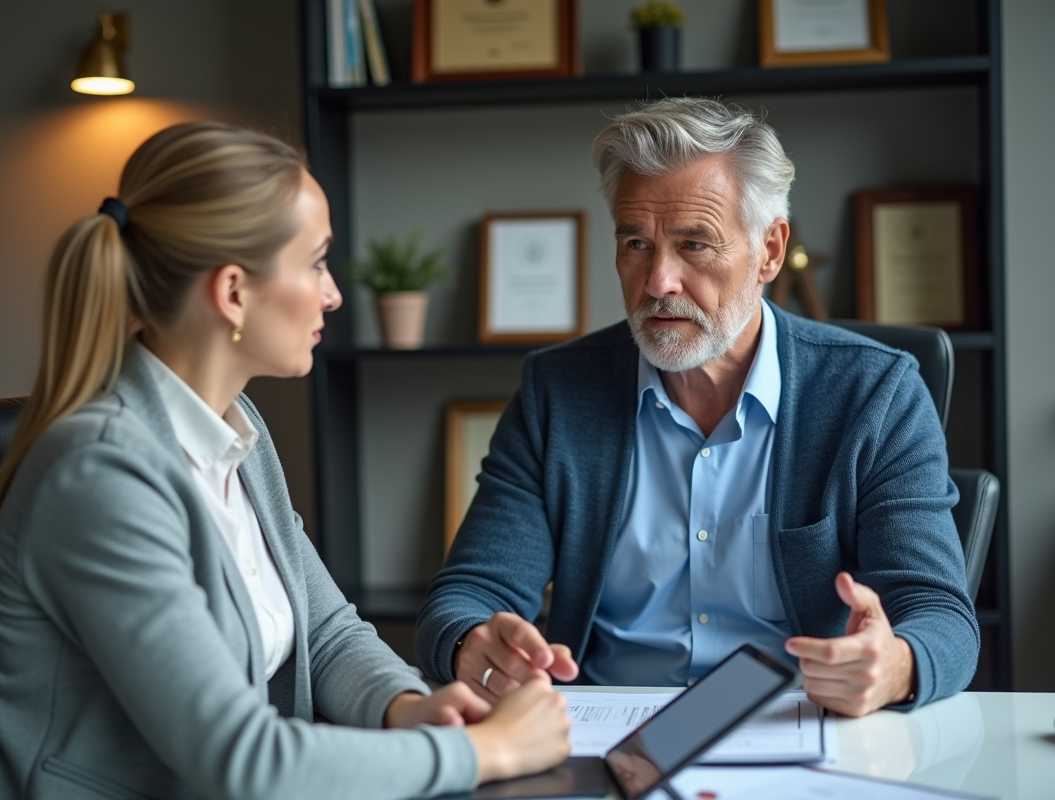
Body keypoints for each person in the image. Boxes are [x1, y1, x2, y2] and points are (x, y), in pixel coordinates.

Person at [0, 122, 570, 800]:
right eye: (315, 263)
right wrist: (483, 751)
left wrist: (409, 706)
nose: (332, 294)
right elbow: (241, 758)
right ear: (234, 293)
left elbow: (328, 632)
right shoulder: (98, 475)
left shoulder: (238, 434)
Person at [416, 97, 978, 719]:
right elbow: (469, 593)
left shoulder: (877, 393)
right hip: (608, 727)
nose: (658, 281)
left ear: (769, 250)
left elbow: (942, 618)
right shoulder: (556, 391)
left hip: (795, 725)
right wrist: (473, 643)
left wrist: (893, 664)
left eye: (694, 244)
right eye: (636, 242)